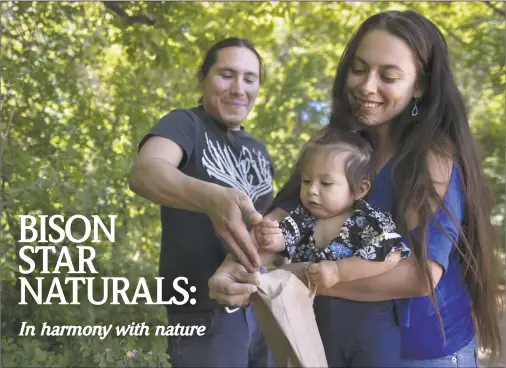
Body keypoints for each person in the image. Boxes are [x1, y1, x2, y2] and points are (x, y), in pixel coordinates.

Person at [208, 10, 503, 367]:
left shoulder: (432, 160)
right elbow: (284, 220)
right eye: (359, 69)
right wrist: (232, 270)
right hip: (336, 348)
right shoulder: (333, 147)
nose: (367, 86)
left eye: (389, 76)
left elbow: (420, 275)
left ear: (420, 86)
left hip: (422, 356)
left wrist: (301, 274)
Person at [129, 37, 275, 367]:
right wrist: (211, 197)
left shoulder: (259, 150)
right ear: (202, 78)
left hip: (260, 309)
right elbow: (145, 172)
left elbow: (266, 230)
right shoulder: (185, 123)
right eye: (226, 74)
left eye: (250, 79)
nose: (239, 88)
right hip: (203, 314)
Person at [254, 127, 412, 366]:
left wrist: (339, 271)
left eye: (325, 183)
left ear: (360, 189)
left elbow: (389, 254)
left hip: (370, 329)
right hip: (318, 327)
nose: (312, 190)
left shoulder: (368, 220)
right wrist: (269, 234)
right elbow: (282, 241)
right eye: (306, 181)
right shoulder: (303, 219)